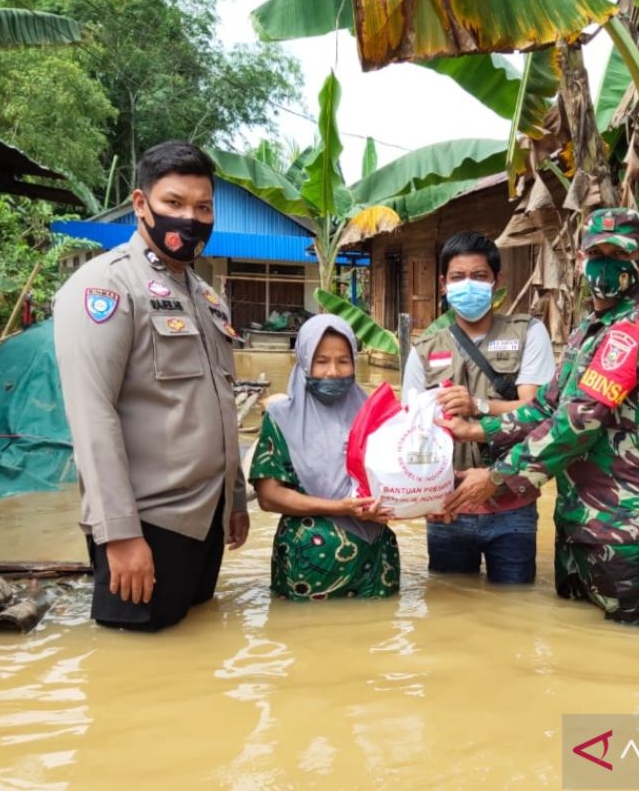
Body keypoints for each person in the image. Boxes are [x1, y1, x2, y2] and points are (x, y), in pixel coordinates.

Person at [439, 208, 639, 625]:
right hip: (575, 522)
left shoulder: (637, 330)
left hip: (622, 530)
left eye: (618, 254)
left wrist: (496, 477)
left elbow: (579, 421)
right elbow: (547, 407)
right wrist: (478, 430)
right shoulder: (590, 329)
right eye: (595, 252)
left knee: (628, 658)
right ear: (581, 259)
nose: (605, 263)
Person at [53, 140, 249, 631]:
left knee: (195, 660)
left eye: (203, 207)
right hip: (149, 525)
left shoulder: (205, 297)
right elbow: (92, 416)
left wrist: (236, 500)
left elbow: (222, 401)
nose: (191, 219)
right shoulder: (106, 287)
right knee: (135, 667)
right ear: (141, 204)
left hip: (205, 521)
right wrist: (119, 535)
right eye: (174, 204)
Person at [401, 231, 556, 584]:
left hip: (512, 503)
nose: (467, 284)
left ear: (497, 281)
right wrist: (423, 500)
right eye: (458, 277)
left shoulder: (528, 333)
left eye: (479, 276)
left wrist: (478, 405)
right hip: (447, 508)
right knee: (451, 613)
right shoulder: (423, 349)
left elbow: (538, 412)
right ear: (443, 284)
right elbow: (410, 434)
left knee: (514, 609)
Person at [250, 314, 399, 600]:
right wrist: (341, 508)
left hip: (377, 562)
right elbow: (269, 497)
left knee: (380, 637)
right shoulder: (280, 418)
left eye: (343, 361)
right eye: (321, 361)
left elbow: (398, 478)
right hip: (309, 566)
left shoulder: (375, 412)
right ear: (305, 362)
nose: (333, 371)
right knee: (307, 641)